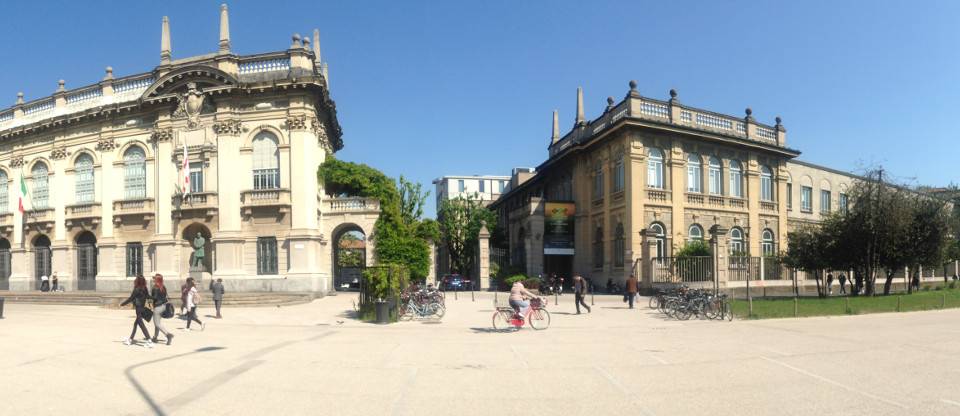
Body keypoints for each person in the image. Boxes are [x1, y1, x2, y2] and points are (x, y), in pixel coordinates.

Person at [120, 275, 154, 348]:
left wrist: (122, 304)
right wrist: (155, 298)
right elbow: (148, 296)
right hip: (142, 308)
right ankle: (130, 340)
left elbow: (131, 298)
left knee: (141, 325)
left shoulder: (136, 289)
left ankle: (149, 340)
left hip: (138, 309)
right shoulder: (144, 288)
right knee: (136, 324)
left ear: (137, 281)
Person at [150, 274, 174, 345]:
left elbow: (154, 298)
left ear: (157, 280)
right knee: (157, 323)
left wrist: (148, 297)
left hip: (157, 307)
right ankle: (155, 337)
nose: (153, 279)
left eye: (154, 278)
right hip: (164, 306)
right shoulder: (163, 287)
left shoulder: (155, 287)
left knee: (157, 324)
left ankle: (168, 335)